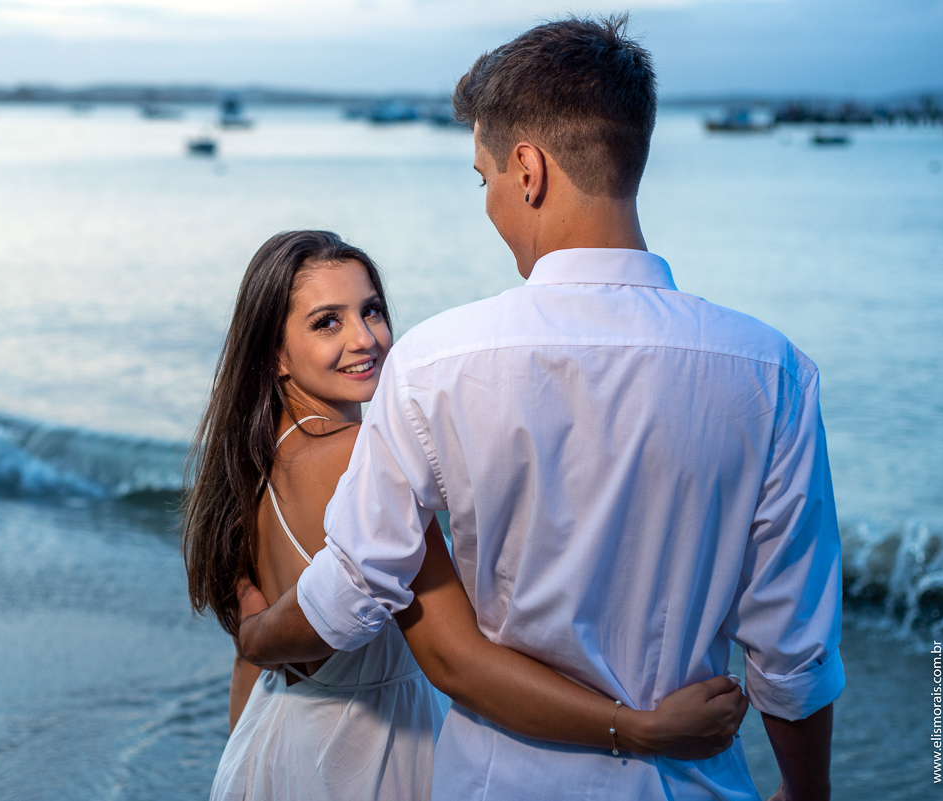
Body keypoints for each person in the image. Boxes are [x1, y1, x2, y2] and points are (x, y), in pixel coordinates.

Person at [236, 16, 845, 801]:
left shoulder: (434, 364)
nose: (490, 203)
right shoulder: (775, 372)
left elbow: (355, 584)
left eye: (483, 176)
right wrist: (806, 792)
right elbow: (791, 650)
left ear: (528, 170)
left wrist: (256, 635)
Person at [183, 230, 748, 800]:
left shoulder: (248, 465)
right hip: (368, 761)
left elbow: (249, 665)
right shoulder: (357, 456)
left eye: (372, 310)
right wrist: (638, 730)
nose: (366, 338)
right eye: (327, 321)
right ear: (275, 354)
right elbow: (454, 660)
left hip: (274, 746)